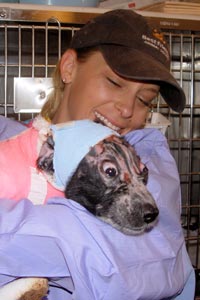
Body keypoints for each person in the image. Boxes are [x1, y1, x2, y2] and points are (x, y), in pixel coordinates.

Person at [0, 9, 195, 300]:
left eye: (145, 100)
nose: (128, 109)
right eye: (115, 83)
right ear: (69, 68)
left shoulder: (142, 157)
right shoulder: (10, 140)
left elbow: (131, 254)